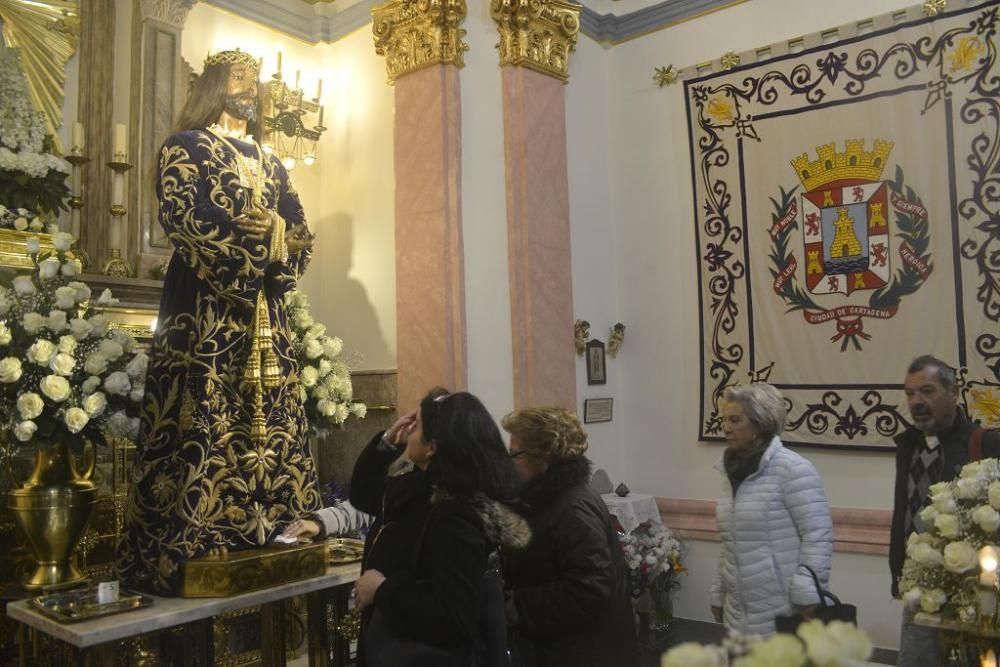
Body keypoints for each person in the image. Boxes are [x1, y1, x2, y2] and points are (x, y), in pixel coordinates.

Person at [117, 48, 319, 594]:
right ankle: (200, 532)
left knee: (270, 418)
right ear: (213, 85)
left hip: (266, 319)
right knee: (206, 410)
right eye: (237, 78)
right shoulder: (185, 148)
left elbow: (301, 233)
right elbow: (185, 215)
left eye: (254, 81)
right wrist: (254, 244)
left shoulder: (273, 162)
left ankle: (276, 524)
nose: (248, 89)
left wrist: (276, 231)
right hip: (207, 309)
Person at [343, 389, 530, 666]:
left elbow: (453, 618)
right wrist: (386, 442)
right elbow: (363, 493)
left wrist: (382, 589)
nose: (408, 429)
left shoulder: (455, 516)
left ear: (432, 447)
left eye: (416, 425)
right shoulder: (421, 486)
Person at [500, 406, 635, 667]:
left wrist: (518, 604)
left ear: (543, 457)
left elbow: (590, 590)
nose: (508, 463)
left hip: (581, 652)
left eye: (514, 454)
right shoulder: (549, 499)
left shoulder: (572, 508)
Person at [891, 355, 1000, 666]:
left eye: (927, 391)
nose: (917, 401)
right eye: (910, 393)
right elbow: (903, 516)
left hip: (972, 595)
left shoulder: (984, 444)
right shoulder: (908, 446)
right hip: (919, 589)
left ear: (953, 392)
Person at [710, 383, 833, 636]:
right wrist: (719, 591)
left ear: (760, 424)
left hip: (784, 608)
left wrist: (808, 591)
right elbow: (729, 542)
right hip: (738, 611)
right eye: (724, 420)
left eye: (735, 420)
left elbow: (817, 535)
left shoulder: (793, 469)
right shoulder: (731, 472)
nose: (726, 427)